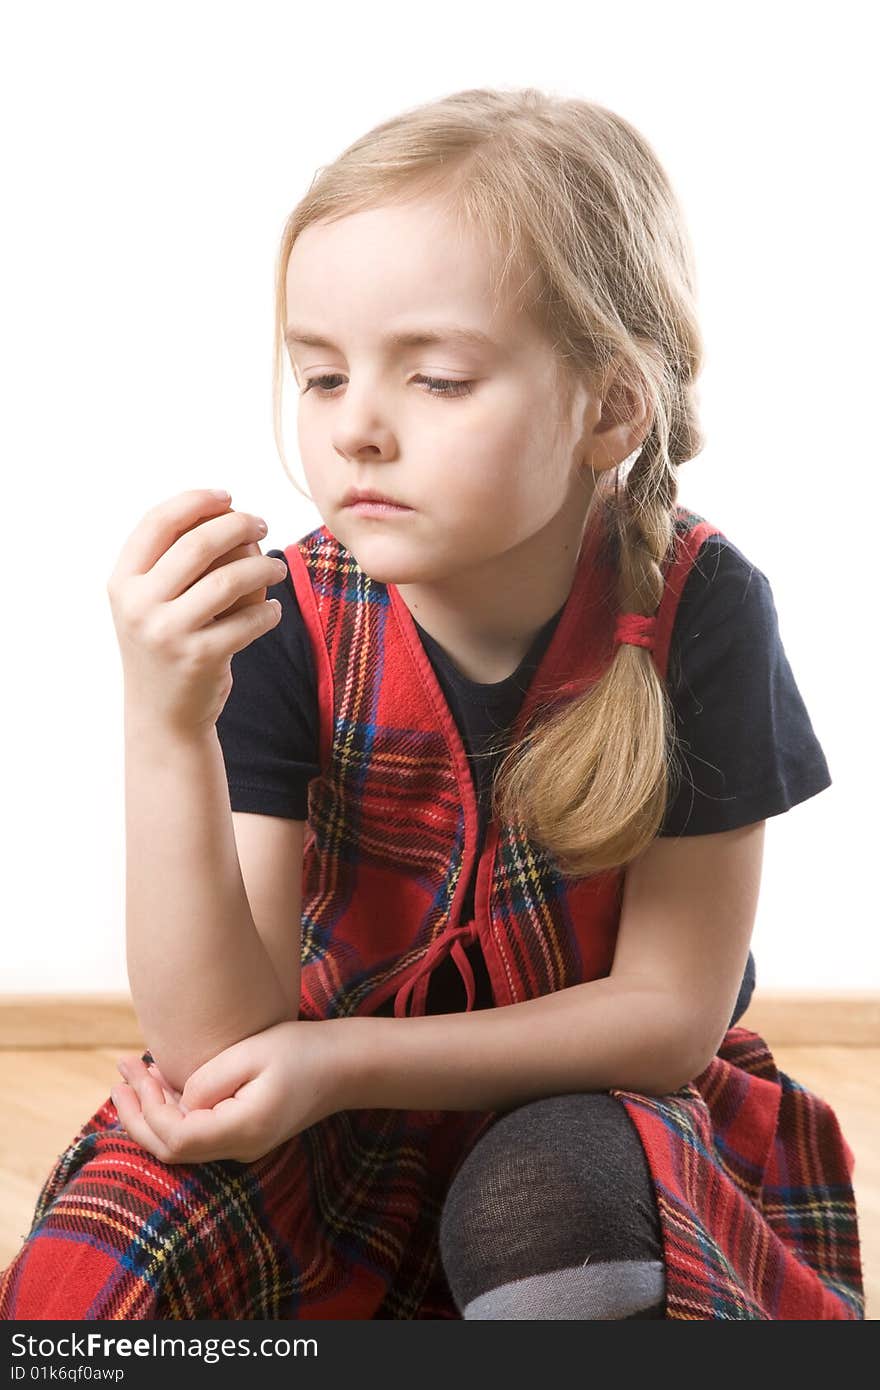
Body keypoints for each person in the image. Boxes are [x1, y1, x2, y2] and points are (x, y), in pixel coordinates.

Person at [0, 87, 864, 1321]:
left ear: (609, 407)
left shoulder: (701, 608)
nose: (355, 428)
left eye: (439, 380)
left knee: (550, 1206)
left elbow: (666, 1017)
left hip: (598, 1106)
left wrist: (335, 1058)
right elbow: (216, 1045)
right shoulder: (290, 614)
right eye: (320, 375)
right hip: (318, 1112)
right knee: (102, 1256)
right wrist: (165, 719)